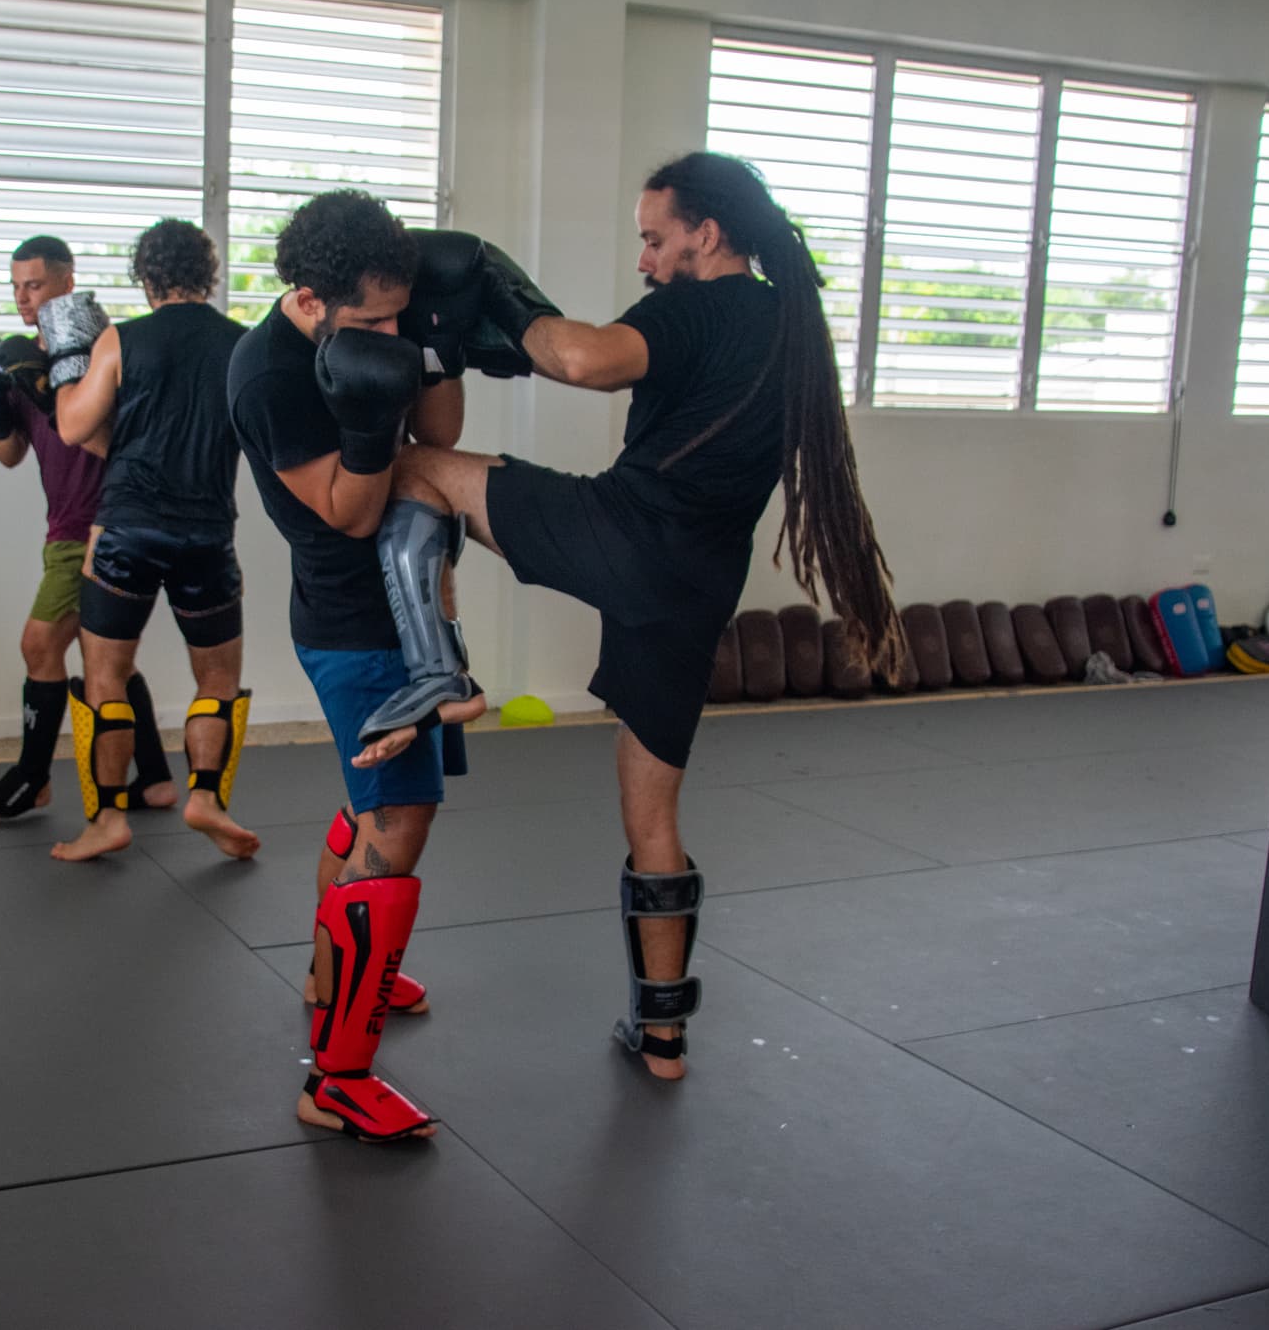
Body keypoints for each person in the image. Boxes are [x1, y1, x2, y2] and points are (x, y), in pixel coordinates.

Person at [361, 152, 905, 1082]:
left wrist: (498, 284)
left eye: (657, 239)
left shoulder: (699, 305)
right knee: (651, 810)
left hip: (623, 534)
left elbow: (581, 358)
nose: (647, 260)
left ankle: (433, 667)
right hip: (696, 584)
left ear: (708, 233)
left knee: (417, 472)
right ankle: (664, 1038)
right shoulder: (791, 327)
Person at [228, 190, 481, 1143]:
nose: (386, 331)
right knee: (396, 824)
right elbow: (349, 510)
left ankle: (328, 969)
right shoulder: (267, 375)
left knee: (374, 802)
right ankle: (335, 1077)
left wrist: (432, 344)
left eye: (395, 314)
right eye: (368, 321)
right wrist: (376, 424)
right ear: (308, 299)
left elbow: (443, 437)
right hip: (354, 622)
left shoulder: (382, 320)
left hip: (413, 612)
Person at [34, 219, 260, 863]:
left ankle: (106, 820)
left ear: (146, 277)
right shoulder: (243, 347)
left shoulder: (121, 339)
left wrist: (63, 369)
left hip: (124, 532)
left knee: (104, 677)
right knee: (217, 679)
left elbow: (75, 426)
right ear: (209, 273)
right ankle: (207, 799)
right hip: (208, 534)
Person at [0, 235, 175, 823]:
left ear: (67, 283)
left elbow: (128, 447)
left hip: (103, 527)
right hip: (65, 529)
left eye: (37, 285)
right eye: (17, 287)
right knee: (107, 659)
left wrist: (54, 397)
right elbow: (11, 455)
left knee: (40, 643)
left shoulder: (101, 352)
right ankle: (152, 776)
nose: (25, 299)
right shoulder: (20, 358)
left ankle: (33, 777)